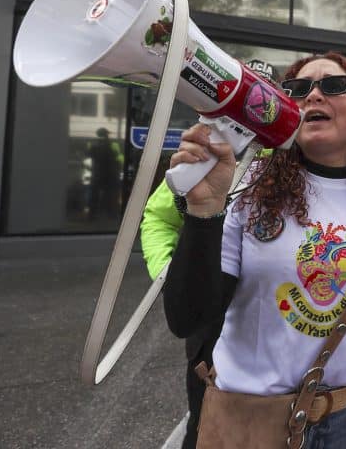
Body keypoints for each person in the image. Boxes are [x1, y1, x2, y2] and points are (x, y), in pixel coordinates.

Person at [162, 51, 346, 448]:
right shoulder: (249, 185)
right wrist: (204, 211)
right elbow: (187, 319)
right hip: (251, 420)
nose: (314, 94)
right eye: (298, 89)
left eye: (334, 85)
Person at [141, 58, 278, 449]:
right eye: (243, 104)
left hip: (266, 324)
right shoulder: (202, 158)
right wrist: (171, 270)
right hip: (207, 322)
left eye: (261, 105)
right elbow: (157, 219)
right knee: (204, 424)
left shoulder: (286, 164)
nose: (251, 115)